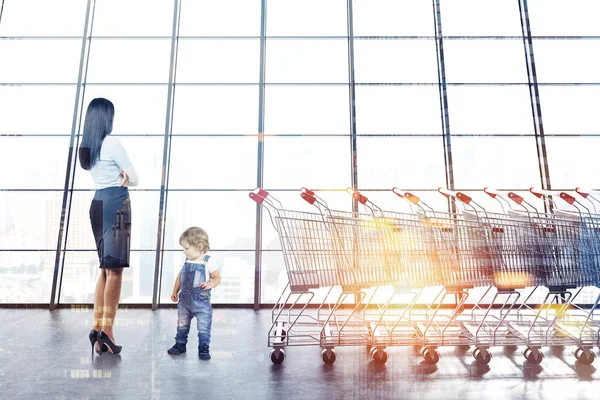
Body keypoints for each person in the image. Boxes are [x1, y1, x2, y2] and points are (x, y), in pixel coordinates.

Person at [79, 98, 139, 358]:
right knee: (115, 272)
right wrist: (125, 177)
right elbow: (134, 177)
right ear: (107, 118)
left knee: (105, 270)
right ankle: (108, 331)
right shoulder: (112, 143)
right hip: (116, 202)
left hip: (97, 203)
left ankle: (97, 327)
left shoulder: (87, 148)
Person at [168, 227, 221, 360]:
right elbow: (180, 277)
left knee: (204, 327)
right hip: (184, 303)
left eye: (186, 248)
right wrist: (175, 290)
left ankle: (203, 347)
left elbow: (217, 278)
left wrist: (210, 284)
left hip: (201, 304)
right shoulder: (186, 260)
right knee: (182, 325)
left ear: (199, 246)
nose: (184, 251)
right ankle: (180, 344)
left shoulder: (208, 261)